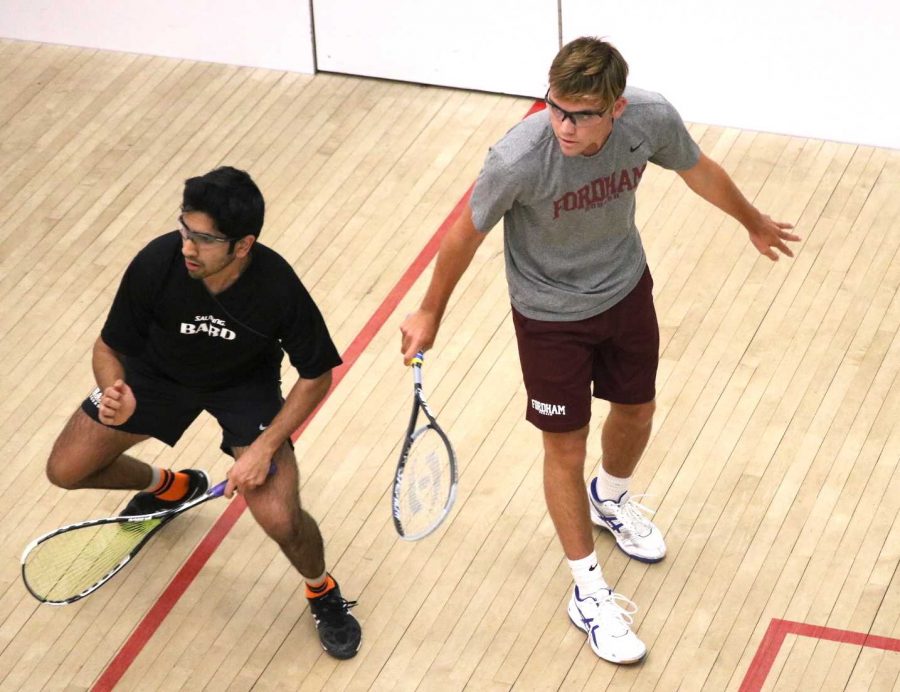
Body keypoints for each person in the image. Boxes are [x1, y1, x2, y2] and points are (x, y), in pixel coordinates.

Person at [400, 37, 799, 664]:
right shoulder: (519, 158)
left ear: (615, 108)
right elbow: (464, 235)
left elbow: (698, 169)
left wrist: (750, 219)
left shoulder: (649, 118)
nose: (563, 124)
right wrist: (430, 310)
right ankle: (588, 590)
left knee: (637, 411)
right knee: (565, 445)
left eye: (581, 114)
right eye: (557, 107)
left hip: (624, 287)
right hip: (549, 314)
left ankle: (609, 498)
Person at [45, 166, 361, 660]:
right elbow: (109, 346)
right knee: (66, 469)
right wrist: (115, 391)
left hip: (243, 388)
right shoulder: (157, 262)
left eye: (205, 239)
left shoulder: (277, 287)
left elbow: (317, 374)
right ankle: (171, 488)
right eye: (185, 230)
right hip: (155, 376)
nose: (188, 247)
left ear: (242, 244)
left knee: (281, 518)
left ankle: (322, 590)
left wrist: (262, 448)